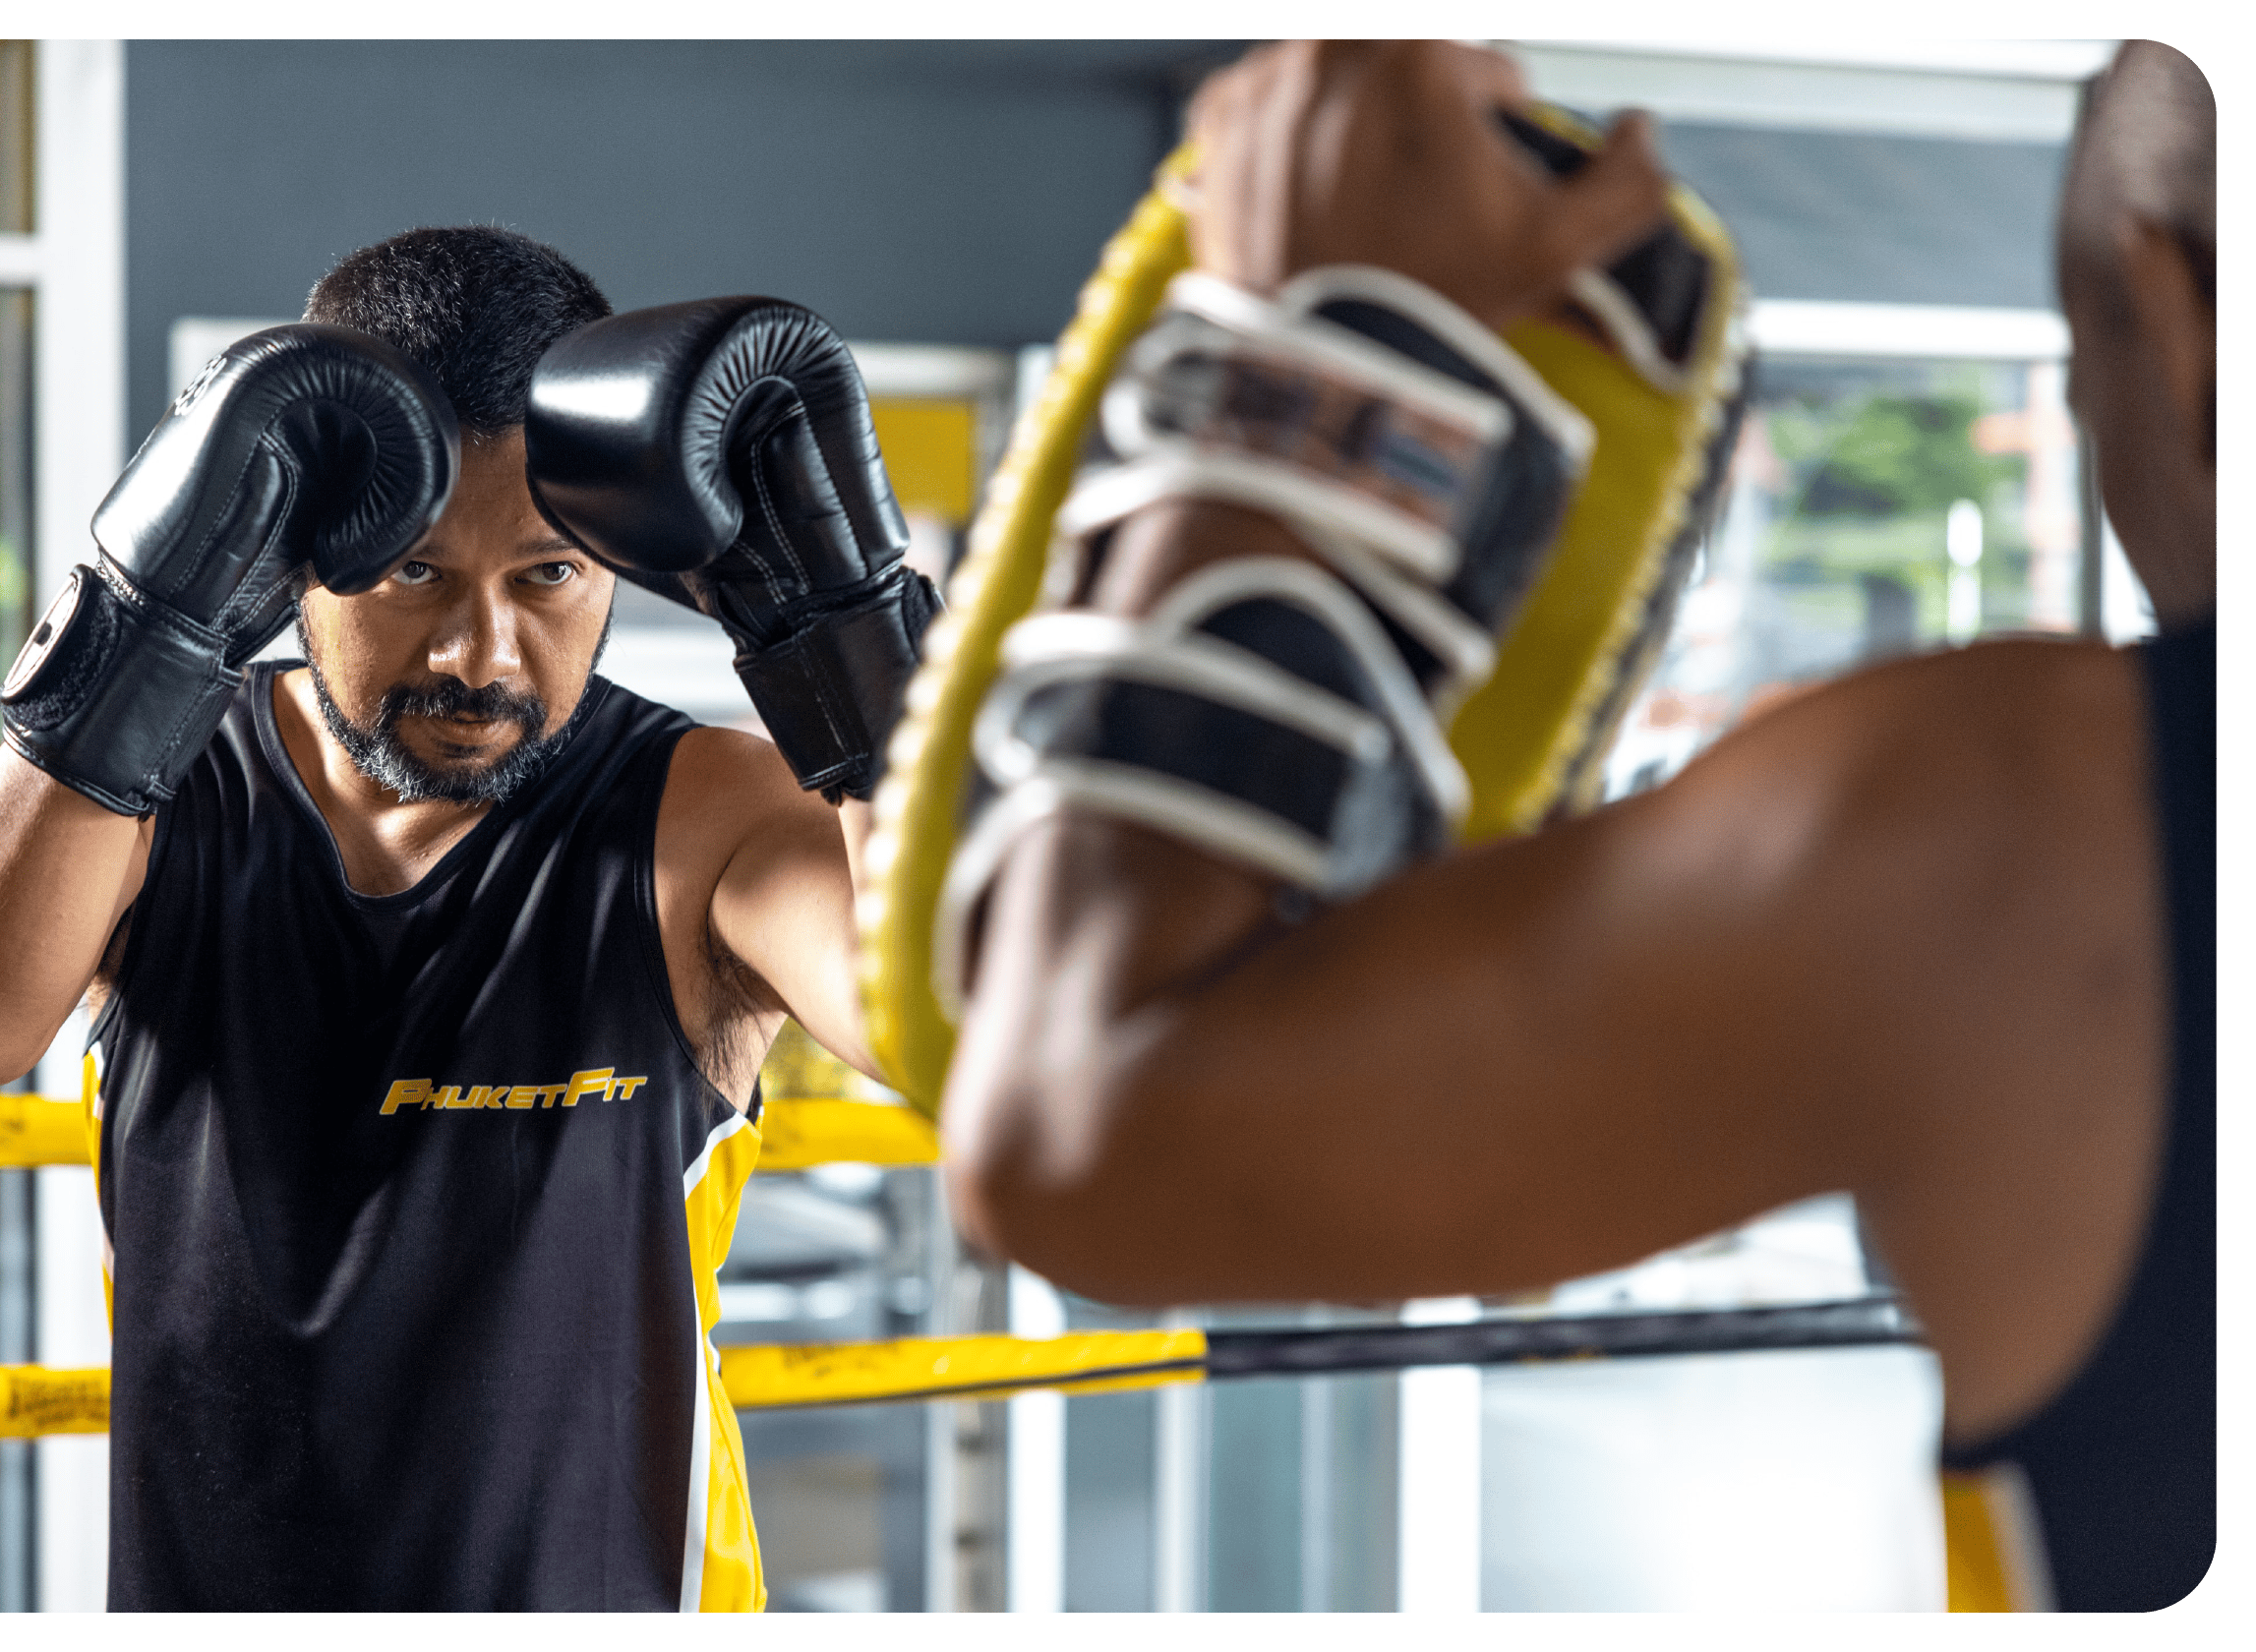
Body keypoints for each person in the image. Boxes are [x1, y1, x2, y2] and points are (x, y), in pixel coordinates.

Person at [941, 40, 2213, 1611]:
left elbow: (1084, 1138)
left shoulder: (2043, 821)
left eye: (2085, 370)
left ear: (2171, 316)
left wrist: (1312, 370)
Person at [0, 226, 933, 1610]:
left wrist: (861, 664)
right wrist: (141, 628)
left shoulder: (707, 815)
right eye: (413, 574)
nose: (477, 656)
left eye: (547, 576)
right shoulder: (158, 792)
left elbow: (957, 1040)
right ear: (307, 548)